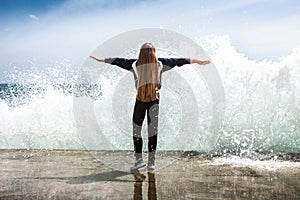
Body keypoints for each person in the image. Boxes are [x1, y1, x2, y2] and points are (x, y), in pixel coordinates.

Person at [90, 43, 210, 172]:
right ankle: (151, 163)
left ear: (140, 53)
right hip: (154, 101)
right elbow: (179, 61)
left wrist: (101, 59)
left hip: (140, 101)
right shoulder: (160, 64)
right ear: (154, 53)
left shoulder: (134, 64)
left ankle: (139, 161)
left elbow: (117, 61)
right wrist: (199, 62)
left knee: (137, 130)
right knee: (152, 132)